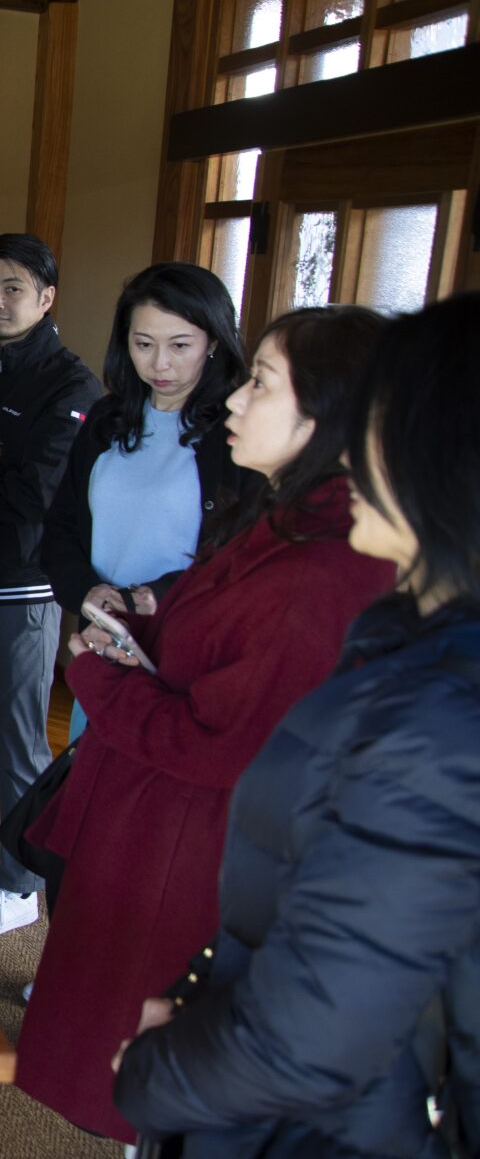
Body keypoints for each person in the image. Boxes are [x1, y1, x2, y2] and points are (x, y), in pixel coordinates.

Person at [12, 305, 394, 1144]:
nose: (233, 400)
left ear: (327, 411)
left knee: (152, 1079)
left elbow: (224, 742)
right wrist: (137, 629)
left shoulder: (323, 569)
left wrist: (99, 679)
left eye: (260, 382)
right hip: (155, 821)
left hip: (192, 846)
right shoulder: (283, 515)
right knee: (130, 1074)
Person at [112, 294, 480, 1158]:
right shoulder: (407, 642)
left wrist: (151, 1075)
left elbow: (316, 1034)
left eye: (378, 421)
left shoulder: (441, 717)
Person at [0, 233, 103, 937]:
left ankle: (19, 889)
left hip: (21, 589)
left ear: (46, 298)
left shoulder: (74, 387)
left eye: (12, 288)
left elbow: (33, 495)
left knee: (18, 745)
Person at [41, 263, 253, 738]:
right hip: (105, 640)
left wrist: (147, 598)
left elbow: (241, 555)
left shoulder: (237, 434)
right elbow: (61, 529)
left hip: (186, 651)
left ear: (214, 342)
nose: (160, 364)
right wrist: (90, 593)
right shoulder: (107, 418)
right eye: (144, 345)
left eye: (180, 346)